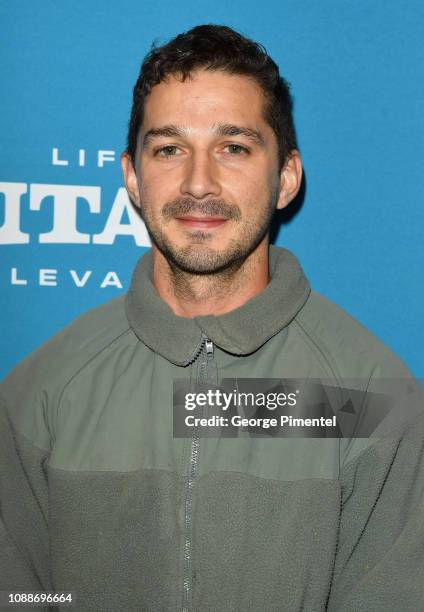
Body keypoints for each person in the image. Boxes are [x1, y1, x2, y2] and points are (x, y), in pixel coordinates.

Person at [0, 24, 423, 612]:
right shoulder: (39, 393)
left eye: (234, 148)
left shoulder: (370, 393)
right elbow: (19, 594)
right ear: (132, 177)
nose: (200, 183)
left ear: (287, 178)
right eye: (169, 149)